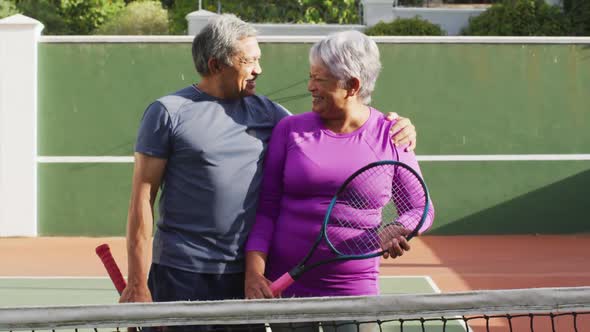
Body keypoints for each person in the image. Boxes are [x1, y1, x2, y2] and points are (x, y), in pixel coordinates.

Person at [120, 14, 418, 317]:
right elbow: (142, 200)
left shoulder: (273, 116)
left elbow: (327, 129)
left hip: (245, 279)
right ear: (216, 65)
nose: (258, 70)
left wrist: (399, 125)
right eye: (248, 61)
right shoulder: (167, 113)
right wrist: (136, 283)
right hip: (180, 271)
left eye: (258, 59)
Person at [244, 30, 435, 302]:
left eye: (319, 79)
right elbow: (266, 212)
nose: (310, 86)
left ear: (352, 86)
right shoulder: (289, 130)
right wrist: (254, 274)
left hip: (355, 289)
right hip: (285, 285)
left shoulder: (393, 135)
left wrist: (399, 227)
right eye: (310, 76)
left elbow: (422, 208)